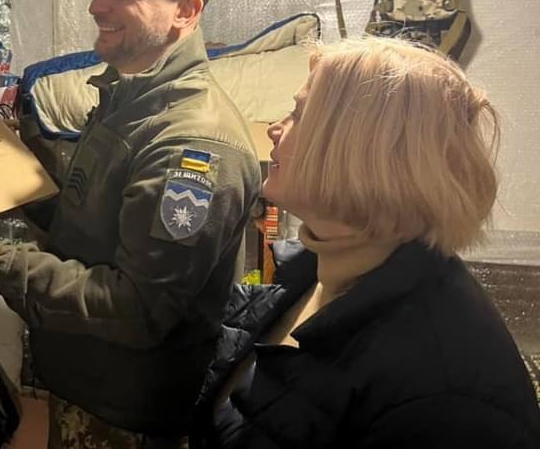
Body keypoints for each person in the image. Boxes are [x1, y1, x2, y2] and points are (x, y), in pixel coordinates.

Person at [0, 0, 262, 447]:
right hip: (90, 381)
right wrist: (8, 175)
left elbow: (136, 310)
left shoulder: (190, 146)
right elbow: (88, 220)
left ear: (185, 11)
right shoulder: (126, 103)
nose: (96, 5)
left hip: (126, 412)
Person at [192, 38, 540, 448]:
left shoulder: (442, 394)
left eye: (299, 114)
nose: (274, 128)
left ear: (364, 149)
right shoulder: (316, 272)